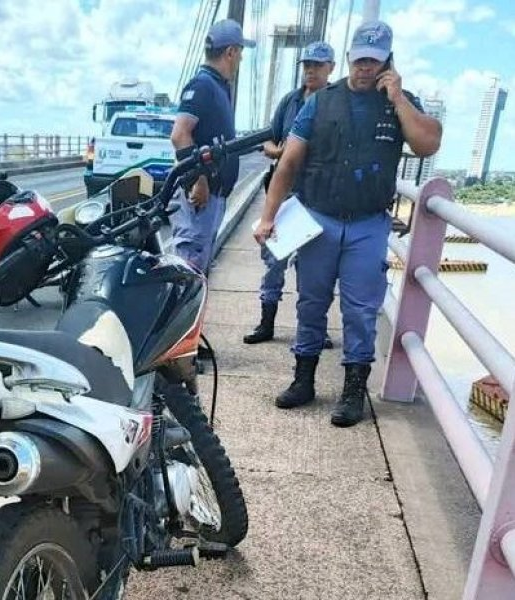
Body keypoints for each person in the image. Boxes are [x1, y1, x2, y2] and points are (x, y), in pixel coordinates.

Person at [252, 21, 441, 427]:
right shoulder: (321, 103)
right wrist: (268, 216)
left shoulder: (401, 101)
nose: (364, 69)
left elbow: (428, 142)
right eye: (359, 60)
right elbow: (289, 162)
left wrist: (398, 98)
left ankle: (354, 389)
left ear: (387, 61)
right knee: (311, 301)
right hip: (319, 217)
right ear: (349, 58)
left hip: (368, 223)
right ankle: (303, 380)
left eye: (373, 61)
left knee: (360, 309)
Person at [244, 41, 336, 347]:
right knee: (273, 262)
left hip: (318, 198)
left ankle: (313, 331)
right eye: (307, 65)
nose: (310, 70)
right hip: (284, 196)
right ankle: (266, 323)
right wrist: (280, 152)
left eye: (317, 65)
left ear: (331, 68)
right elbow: (268, 141)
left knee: (314, 271)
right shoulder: (290, 101)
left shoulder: (336, 103)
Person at [171, 18, 254, 273]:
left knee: (198, 271)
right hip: (201, 200)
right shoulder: (203, 85)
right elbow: (180, 134)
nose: (240, 60)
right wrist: (199, 180)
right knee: (188, 272)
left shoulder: (218, 86)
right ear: (231, 52)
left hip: (213, 199)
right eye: (240, 53)